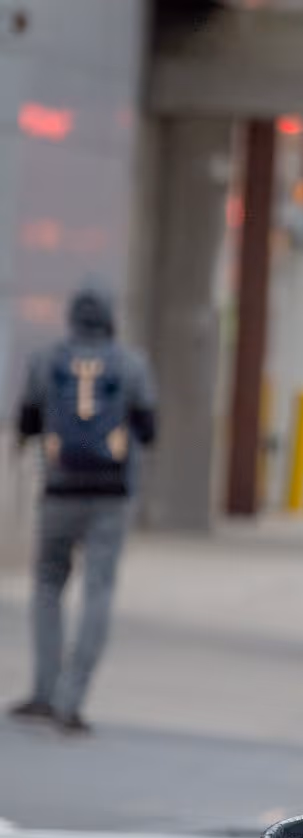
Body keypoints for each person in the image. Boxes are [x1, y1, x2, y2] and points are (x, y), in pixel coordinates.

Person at [10, 286, 156, 735]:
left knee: (49, 584)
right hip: (110, 494)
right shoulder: (131, 363)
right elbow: (148, 429)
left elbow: (27, 423)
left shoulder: (46, 359)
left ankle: (43, 690)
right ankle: (72, 700)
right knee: (98, 590)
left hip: (58, 489)